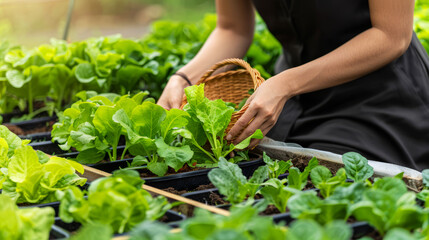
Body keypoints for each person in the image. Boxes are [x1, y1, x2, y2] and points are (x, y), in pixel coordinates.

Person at [157, 0, 429, 171]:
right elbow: (233, 29)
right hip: (293, 101)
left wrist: (286, 83)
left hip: (379, 99)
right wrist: (184, 79)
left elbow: (391, 36)